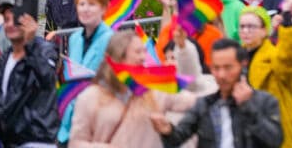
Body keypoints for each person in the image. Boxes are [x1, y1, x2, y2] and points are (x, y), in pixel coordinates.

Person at [71, 28, 200, 147]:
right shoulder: (90, 97)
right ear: (118, 57)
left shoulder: (154, 89)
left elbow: (197, 100)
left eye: (144, 51)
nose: (144, 57)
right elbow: (76, 143)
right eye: (138, 52)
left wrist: (183, 49)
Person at [150, 38, 284, 148]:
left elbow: (275, 140)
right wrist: (167, 130)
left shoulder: (265, 101)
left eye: (228, 67)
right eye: (216, 68)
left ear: (243, 66)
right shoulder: (204, 104)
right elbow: (178, 138)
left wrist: (247, 106)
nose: (221, 75)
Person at [237, 5, 292, 148]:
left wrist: (288, 29)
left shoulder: (275, 56)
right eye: (242, 26)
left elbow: (290, 59)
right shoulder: (236, 58)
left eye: (251, 26)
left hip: (275, 131)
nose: (245, 31)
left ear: (264, 30)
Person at [0, 1, 60, 146]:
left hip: (36, 138)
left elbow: (47, 78)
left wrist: (30, 44)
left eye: (17, 19)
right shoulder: (5, 57)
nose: (10, 24)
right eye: (6, 20)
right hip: (11, 140)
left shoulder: (44, 50)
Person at [57, 0, 114, 144]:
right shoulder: (75, 38)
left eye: (92, 4)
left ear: (103, 8)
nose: (85, 9)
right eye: (81, 4)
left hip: (99, 116)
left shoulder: (111, 39)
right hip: (72, 117)